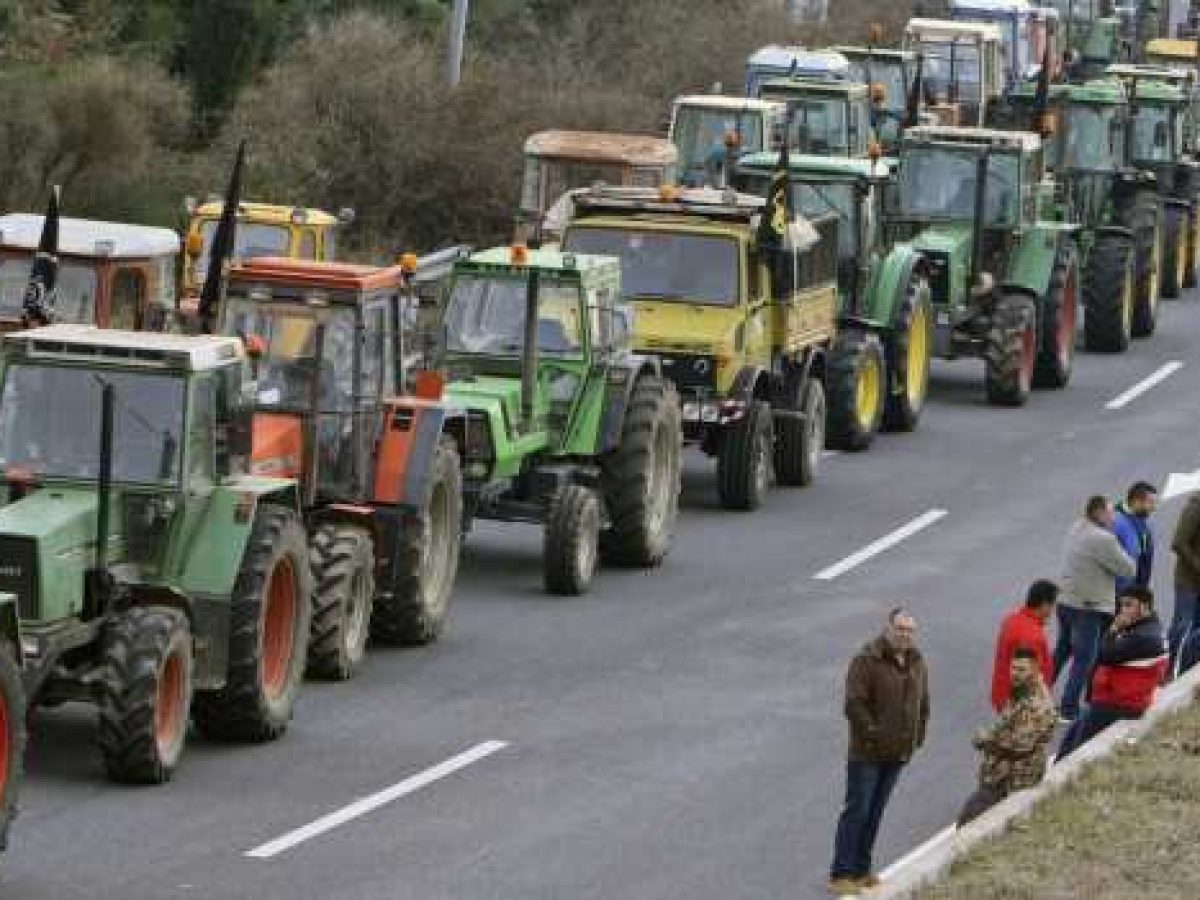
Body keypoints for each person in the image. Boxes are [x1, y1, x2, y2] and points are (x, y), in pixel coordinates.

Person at [829, 609, 930, 896]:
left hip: (897, 754)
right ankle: (841, 873)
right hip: (867, 754)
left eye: (910, 630)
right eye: (900, 628)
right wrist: (873, 735)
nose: (905, 635)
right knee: (857, 811)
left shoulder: (917, 661)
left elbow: (924, 703)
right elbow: (853, 705)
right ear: (888, 628)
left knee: (875, 812)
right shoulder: (867, 660)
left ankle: (862, 870)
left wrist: (917, 737)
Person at [1057, 585, 1167, 759]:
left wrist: (1113, 629)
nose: (1123, 610)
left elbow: (1101, 654)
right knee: (1071, 735)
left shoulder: (1143, 637)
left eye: (1129, 605)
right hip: (1113, 698)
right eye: (1122, 605)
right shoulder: (1145, 626)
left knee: (1073, 749)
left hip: (1119, 704)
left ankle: (1057, 778)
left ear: (1145, 607)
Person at [1053, 496, 1136, 721]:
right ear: (1098, 514)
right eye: (1110, 513)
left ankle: (1039, 694)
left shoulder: (1077, 527)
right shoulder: (1103, 539)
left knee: (1062, 650)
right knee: (1085, 658)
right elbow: (1128, 569)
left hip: (1066, 601)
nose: (1114, 518)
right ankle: (1068, 708)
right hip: (1089, 607)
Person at [957, 648, 1058, 826]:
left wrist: (985, 740)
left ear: (1034, 670)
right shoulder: (1023, 690)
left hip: (1014, 777)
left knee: (970, 820)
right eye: (1013, 668)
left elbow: (1020, 747)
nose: (1015, 674)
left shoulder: (1036, 704)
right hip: (1002, 771)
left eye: (1022, 670)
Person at [990, 580, 1057, 713]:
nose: (1053, 611)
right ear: (1044, 605)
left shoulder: (1012, 619)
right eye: (1052, 605)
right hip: (1021, 706)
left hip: (1003, 694)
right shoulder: (1032, 636)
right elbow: (1028, 678)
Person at [1169, 489, 1200, 675]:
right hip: (1188, 581)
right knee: (1182, 627)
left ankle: (1188, 673)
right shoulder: (1196, 506)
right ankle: (1169, 671)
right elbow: (1178, 542)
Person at [1113, 481, 1157, 593]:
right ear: (1136, 501)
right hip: (1118, 591)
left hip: (1130, 590)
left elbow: (1144, 559)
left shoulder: (1141, 525)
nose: (1154, 508)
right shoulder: (1114, 521)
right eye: (1150, 503)